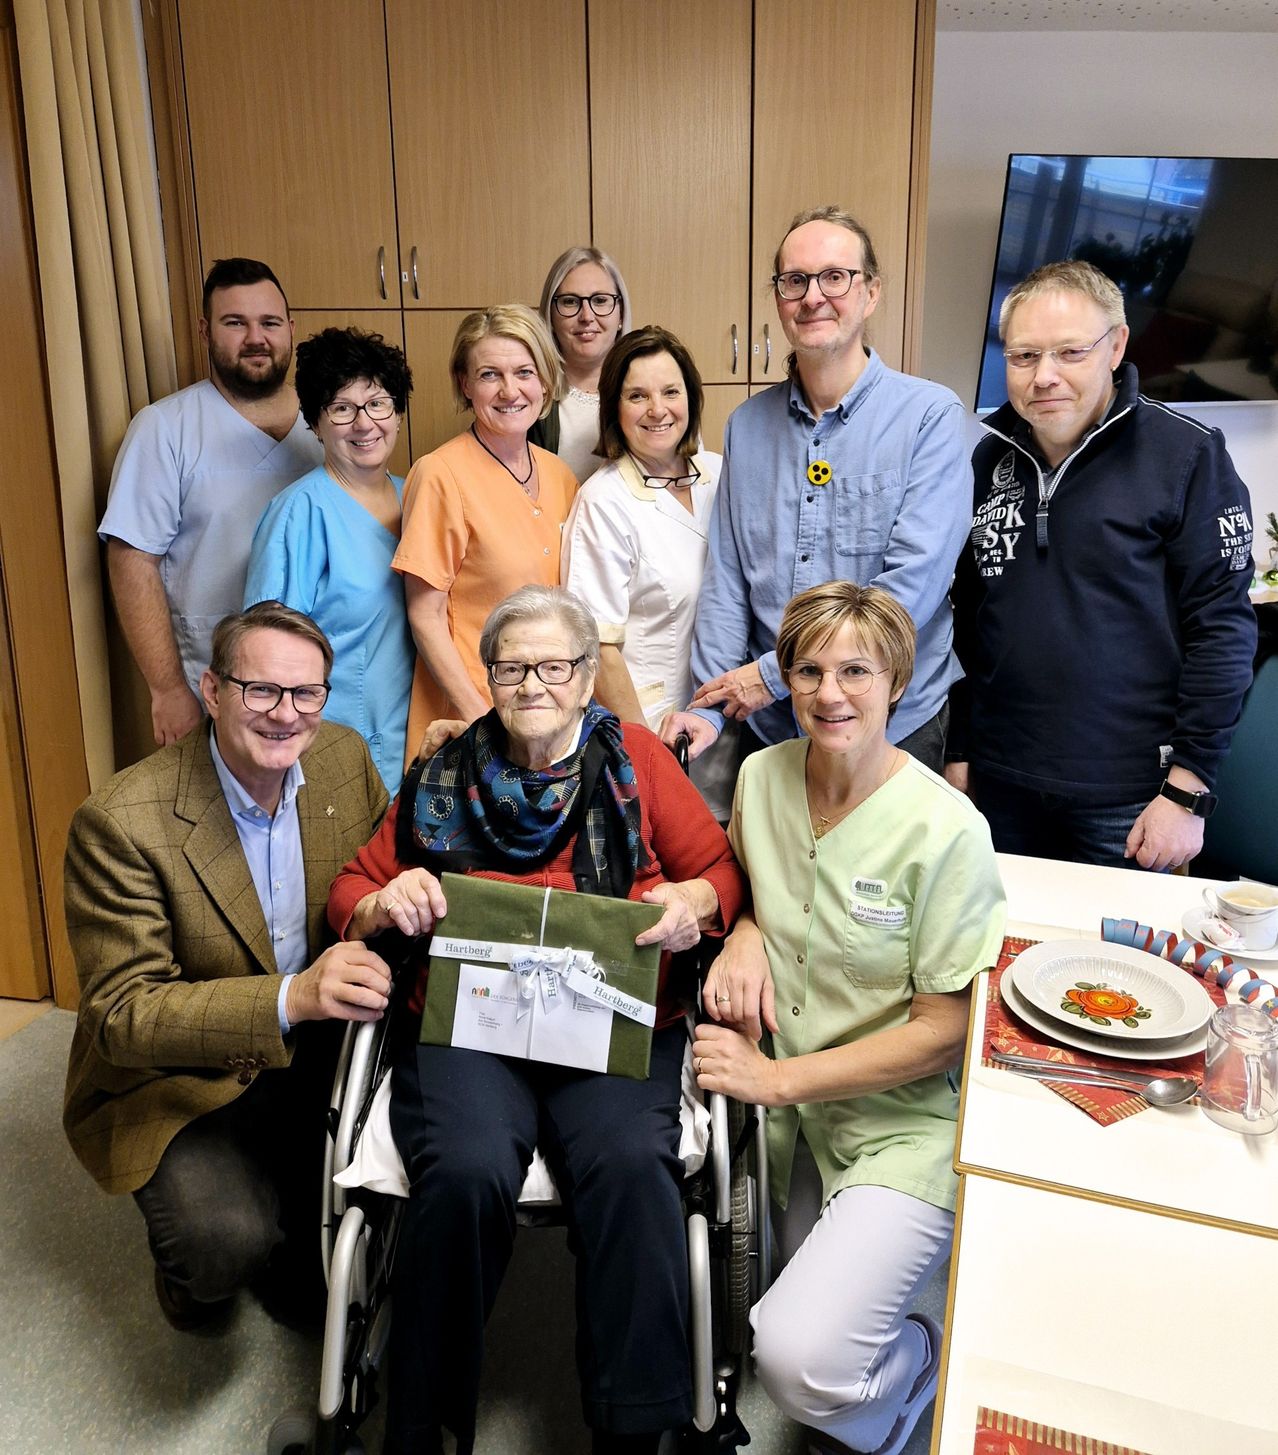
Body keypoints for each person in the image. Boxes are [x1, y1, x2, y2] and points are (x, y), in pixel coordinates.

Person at [327, 585, 746, 1455]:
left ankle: (633, 1429)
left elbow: (719, 872)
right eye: (512, 665)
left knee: (634, 1164)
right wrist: (382, 901)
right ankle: (426, 1426)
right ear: (488, 675)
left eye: (554, 665)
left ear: (588, 675)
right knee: (467, 1168)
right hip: (474, 1024)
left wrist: (690, 901)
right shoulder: (444, 768)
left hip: (609, 1014)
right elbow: (351, 888)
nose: (532, 683)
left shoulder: (635, 757)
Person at [691, 582, 1005, 1455]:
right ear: (785, 679)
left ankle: (923, 1365)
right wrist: (746, 928)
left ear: (897, 680)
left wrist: (775, 1078)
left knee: (797, 1362)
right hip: (792, 1131)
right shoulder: (760, 777)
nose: (832, 693)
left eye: (857, 670)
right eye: (811, 669)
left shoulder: (947, 831)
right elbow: (759, 891)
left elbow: (946, 1028)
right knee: (755, 1322)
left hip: (899, 1121)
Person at [62, 602, 391, 1332]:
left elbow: (374, 876)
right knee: (224, 1246)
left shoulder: (340, 758)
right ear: (212, 691)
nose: (287, 715)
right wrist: (292, 996)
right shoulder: (121, 822)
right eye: (261, 690)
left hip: (314, 1052)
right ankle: (189, 1278)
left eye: (307, 693)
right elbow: (123, 1014)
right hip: (181, 1073)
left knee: (325, 1287)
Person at [947, 259, 1258, 871]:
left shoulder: (1188, 457)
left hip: (1132, 799)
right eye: (1023, 356)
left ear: (1116, 346)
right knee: (1002, 957)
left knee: (1119, 967)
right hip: (1000, 783)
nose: (1045, 377)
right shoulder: (989, 459)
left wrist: (1187, 793)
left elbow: (1223, 632)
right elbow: (969, 623)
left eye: (1069, 352)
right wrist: (962, 748)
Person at [662, 206, 970, 777]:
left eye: (835, 277)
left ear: (871, 292)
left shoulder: (929, 416)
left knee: (881, 870)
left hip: (890, 722)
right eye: (794, 280)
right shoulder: (747, 427)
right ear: (778, 298)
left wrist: (776, 675)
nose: (812, 296)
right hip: (774, 728)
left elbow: (913, 586)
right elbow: (729, 581)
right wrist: (708, 706)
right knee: (773, 868)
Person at [100, 258, 322, 746]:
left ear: (290, 327)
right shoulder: (165, 429)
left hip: (318, 690)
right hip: (213, 688)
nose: (255, 338)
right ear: (205, 331)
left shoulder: (332, 423)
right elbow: (132, 559)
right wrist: (166, 689)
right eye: (235, 323)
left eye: (268, 322)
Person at [561, 324, 735, 817]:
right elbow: (598, 644)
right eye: (637, 395)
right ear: (614, 407)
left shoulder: (721, 472)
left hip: (735, 722)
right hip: (652, 730)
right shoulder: (605, 500)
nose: (657, 409)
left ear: (691, 397)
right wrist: (644, 755)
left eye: (670, 391)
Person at [393, 305, 578, 764]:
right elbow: (425, 617)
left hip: (547, 716)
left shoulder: (560, 475)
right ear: (465, 384)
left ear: (545, 382)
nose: (510, 390)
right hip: (472, 719)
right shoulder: (440, 474)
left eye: (524, 372)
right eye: (490, 374)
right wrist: (485, 725)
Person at [244, 327, 415, 792]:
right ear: (316, 423)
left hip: (418, 746)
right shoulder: (298, 513)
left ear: (397, 413)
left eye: (377, 403)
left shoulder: (419, 499)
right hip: (331, 755)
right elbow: (266, 655)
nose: (364, 424)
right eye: (342, 409)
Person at [529, 245, 632, 482]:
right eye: (569, 302)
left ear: (621, 315)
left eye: (600, 300)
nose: (587, 316)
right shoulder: (527, 395)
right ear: (550, 315)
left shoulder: (654, 391)